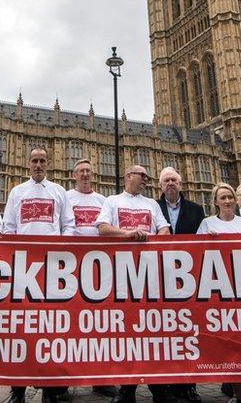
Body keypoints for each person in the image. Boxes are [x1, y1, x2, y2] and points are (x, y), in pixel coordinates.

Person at [2, 147, 75, 403]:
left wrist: (61, 253)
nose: (38, 165)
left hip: (53, 267)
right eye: (34, 160)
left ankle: (50, 391)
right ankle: (18, 390)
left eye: (43, 161)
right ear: (28, 164)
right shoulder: (17, 191)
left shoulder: (58, 191)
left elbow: (69, 226)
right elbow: (8, 228)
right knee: (21, 328)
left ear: (48, 164)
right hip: (23, 267)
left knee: (51, 329)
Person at [96, 165, 170, 403]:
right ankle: (127, 390)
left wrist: (150, 239)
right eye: (142, 176)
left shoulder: (152, 205)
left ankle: (158, 389)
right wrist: (128, 234)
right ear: (128, 176)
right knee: (126, 335)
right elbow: (103, 229)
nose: (147, 180)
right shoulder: (113, 201)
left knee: (151, 333)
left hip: (149, 275)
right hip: (122, 275)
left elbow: (165, 231)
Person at [198, 184, 241, 403]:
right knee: (231, 345)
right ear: (215, 201)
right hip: (221, 292)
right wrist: (207, 239)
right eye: (222, 197)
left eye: (230, 197)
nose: (227, 201)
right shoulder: (207, 224)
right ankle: (236, 393)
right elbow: (196, 253)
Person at [65, 158, 119, 398]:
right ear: (73, 175)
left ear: (93, 175)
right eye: (81, 171)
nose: (85, 175)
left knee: (101, 325)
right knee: (66, 325)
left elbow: (112, 229)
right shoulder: (64, 197)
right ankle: (62, 383)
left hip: (98, 268)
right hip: (69, 268)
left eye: (88, 171)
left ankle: (101, 378)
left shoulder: (103, 201)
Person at [155, 166, 204, 403]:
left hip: (189, 278)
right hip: (158, 277)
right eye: (166, 180)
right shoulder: (152, 207)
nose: (171, 184)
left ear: (181, 184)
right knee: (161, 333)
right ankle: (163, 386)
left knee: (189, 333)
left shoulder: (197, 210)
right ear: (160, 185)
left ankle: (188, 385)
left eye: (174, 180)